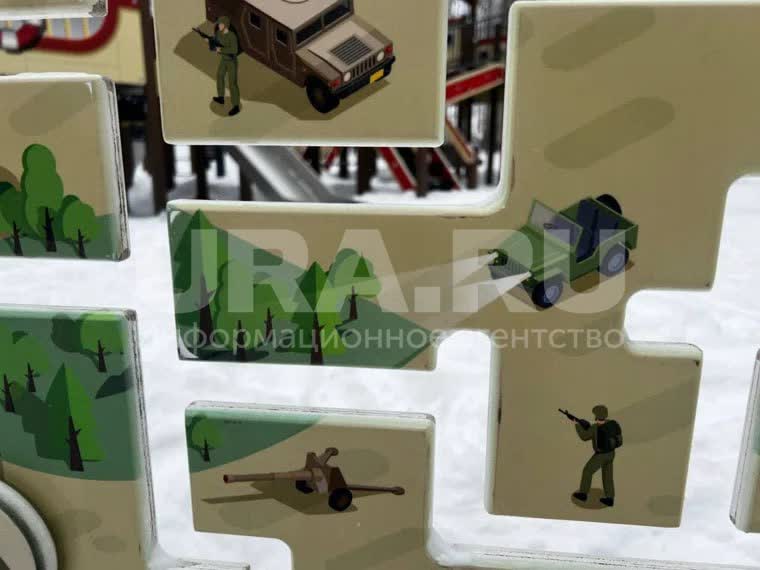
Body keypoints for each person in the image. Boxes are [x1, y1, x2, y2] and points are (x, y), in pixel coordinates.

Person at [567, 405, 621, 508]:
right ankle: (610, 498)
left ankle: (583, 494)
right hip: (611, 453)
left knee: (587, 471)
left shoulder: (595, 427)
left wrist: (576, 424)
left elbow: (584, 436)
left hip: (601, 455)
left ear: (596, 415)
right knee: (608, 475)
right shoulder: (612, 423)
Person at [212, 16, 240, 117]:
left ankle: (236, 106)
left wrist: (221, 50)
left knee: (232, 83)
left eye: (221, 24)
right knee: (219, 76)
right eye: (218, 24)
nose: (219, 26)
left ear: (226, 25)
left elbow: (234, 50)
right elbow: (215, 43)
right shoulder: (218, 34)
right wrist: (210, 43)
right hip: (223, 60)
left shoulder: (232, 36)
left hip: (231, 62)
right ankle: (221, 97)